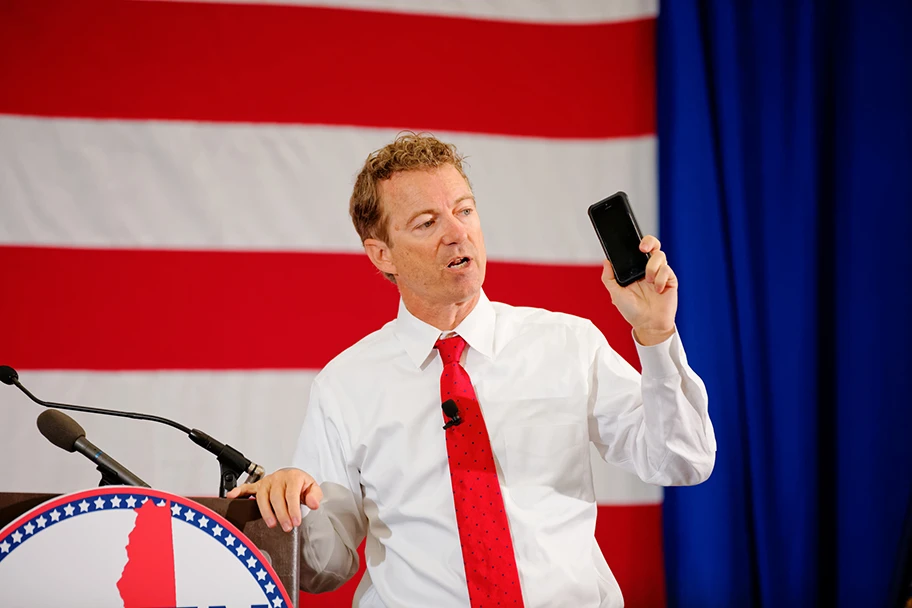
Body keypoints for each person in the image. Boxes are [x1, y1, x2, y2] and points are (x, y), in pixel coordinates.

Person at [228, 133, 716, 607]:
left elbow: (682, 460)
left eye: (464, 210)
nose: (457, 232)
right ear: (382, 254)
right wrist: (283, 509)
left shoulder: (567, 344)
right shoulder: (344, 386)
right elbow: (325, 563)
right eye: (426, 222)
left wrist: (656, 336)